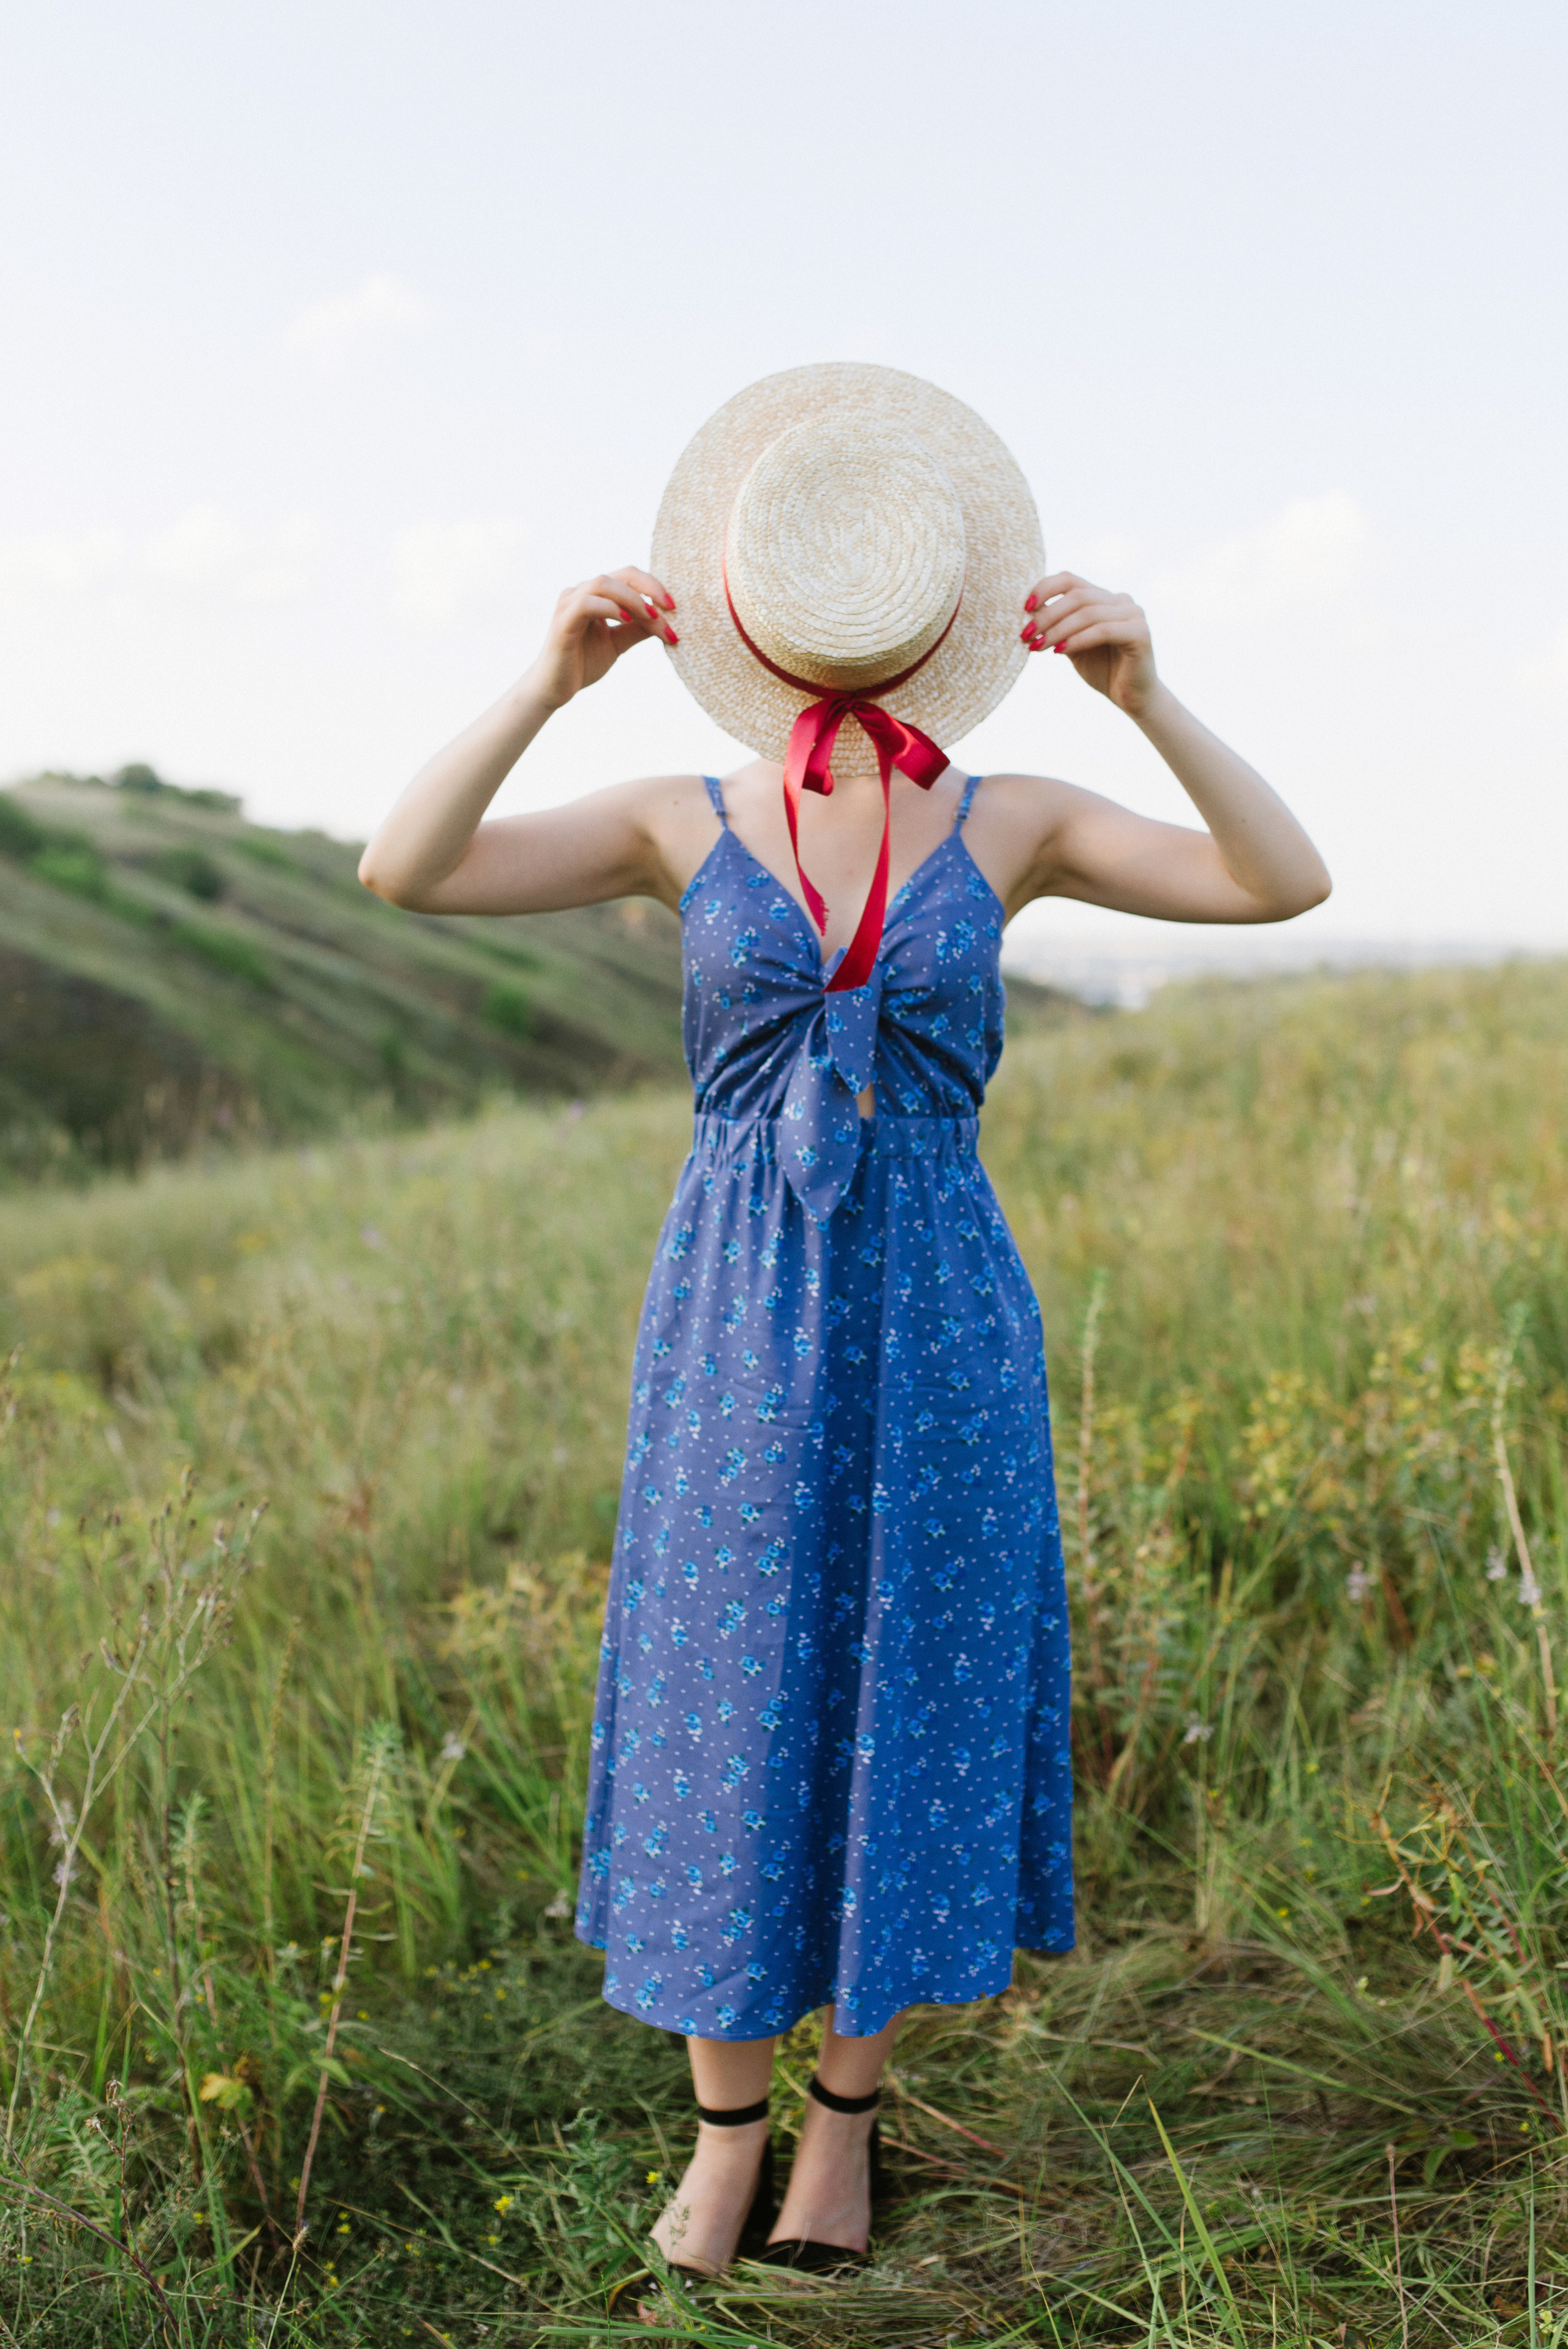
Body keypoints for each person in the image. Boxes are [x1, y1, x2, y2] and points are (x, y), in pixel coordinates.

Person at [359, 365, 1330, 2299]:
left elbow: (1280, 878)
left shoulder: (1017, 812)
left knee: (913, 1681)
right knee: (727, 1691)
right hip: (735, 1308)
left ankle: (843, 2126)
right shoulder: (674, 812)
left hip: (944, 1304)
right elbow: (409, 866)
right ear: (745, 612)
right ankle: (728, 2131)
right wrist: (546, 681)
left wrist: (1152, 698)